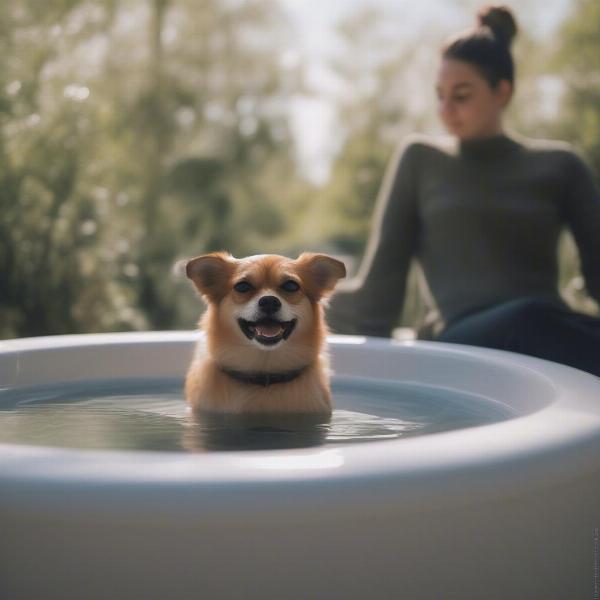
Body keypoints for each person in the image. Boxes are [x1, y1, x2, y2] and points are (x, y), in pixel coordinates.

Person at [326, 5, 600, 377]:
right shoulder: (420, 158)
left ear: (502, 92)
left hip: (549, 338)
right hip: (457, 340)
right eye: (440, 95)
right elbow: (378, 294)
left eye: (461, 95)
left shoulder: (561, 165)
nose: (445, 109)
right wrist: (291, 297)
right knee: (529, 317)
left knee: (536, 318)